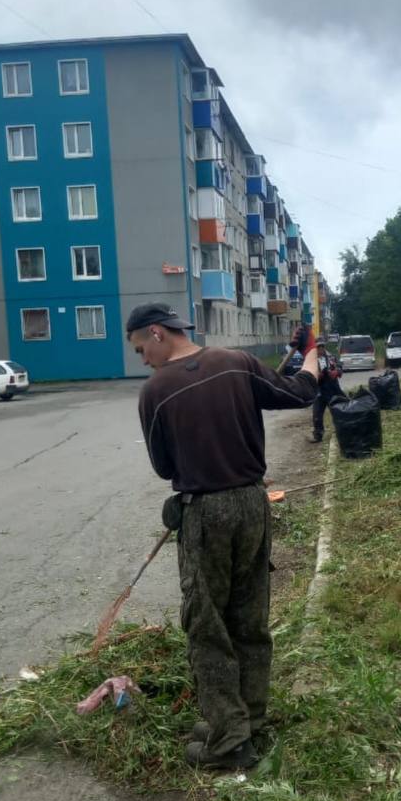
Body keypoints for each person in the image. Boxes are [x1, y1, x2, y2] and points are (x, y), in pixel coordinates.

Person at [129, 303, 319, 771]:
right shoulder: (237, 363)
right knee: (249, 617)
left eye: (140, 349)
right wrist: (311, 351)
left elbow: (164, 467)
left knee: (207, 626)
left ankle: (229, 743)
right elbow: (300, 391)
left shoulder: (156, 392)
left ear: (157, 333)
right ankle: (247, 719)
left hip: (206, 514)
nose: (143, 360)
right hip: (254, 503)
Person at [310, 336, 345, 443]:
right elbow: (308, 376)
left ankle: (341, 433)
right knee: (317, 415)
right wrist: (317, 376)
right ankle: (318, 435)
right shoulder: (311, 360)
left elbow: (340, 367)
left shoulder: (331, 357)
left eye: (322, 346)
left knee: (337, 411)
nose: (320, 349)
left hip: (332, 390)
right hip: (319, 391)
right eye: (318, 347)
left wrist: (336, 372)